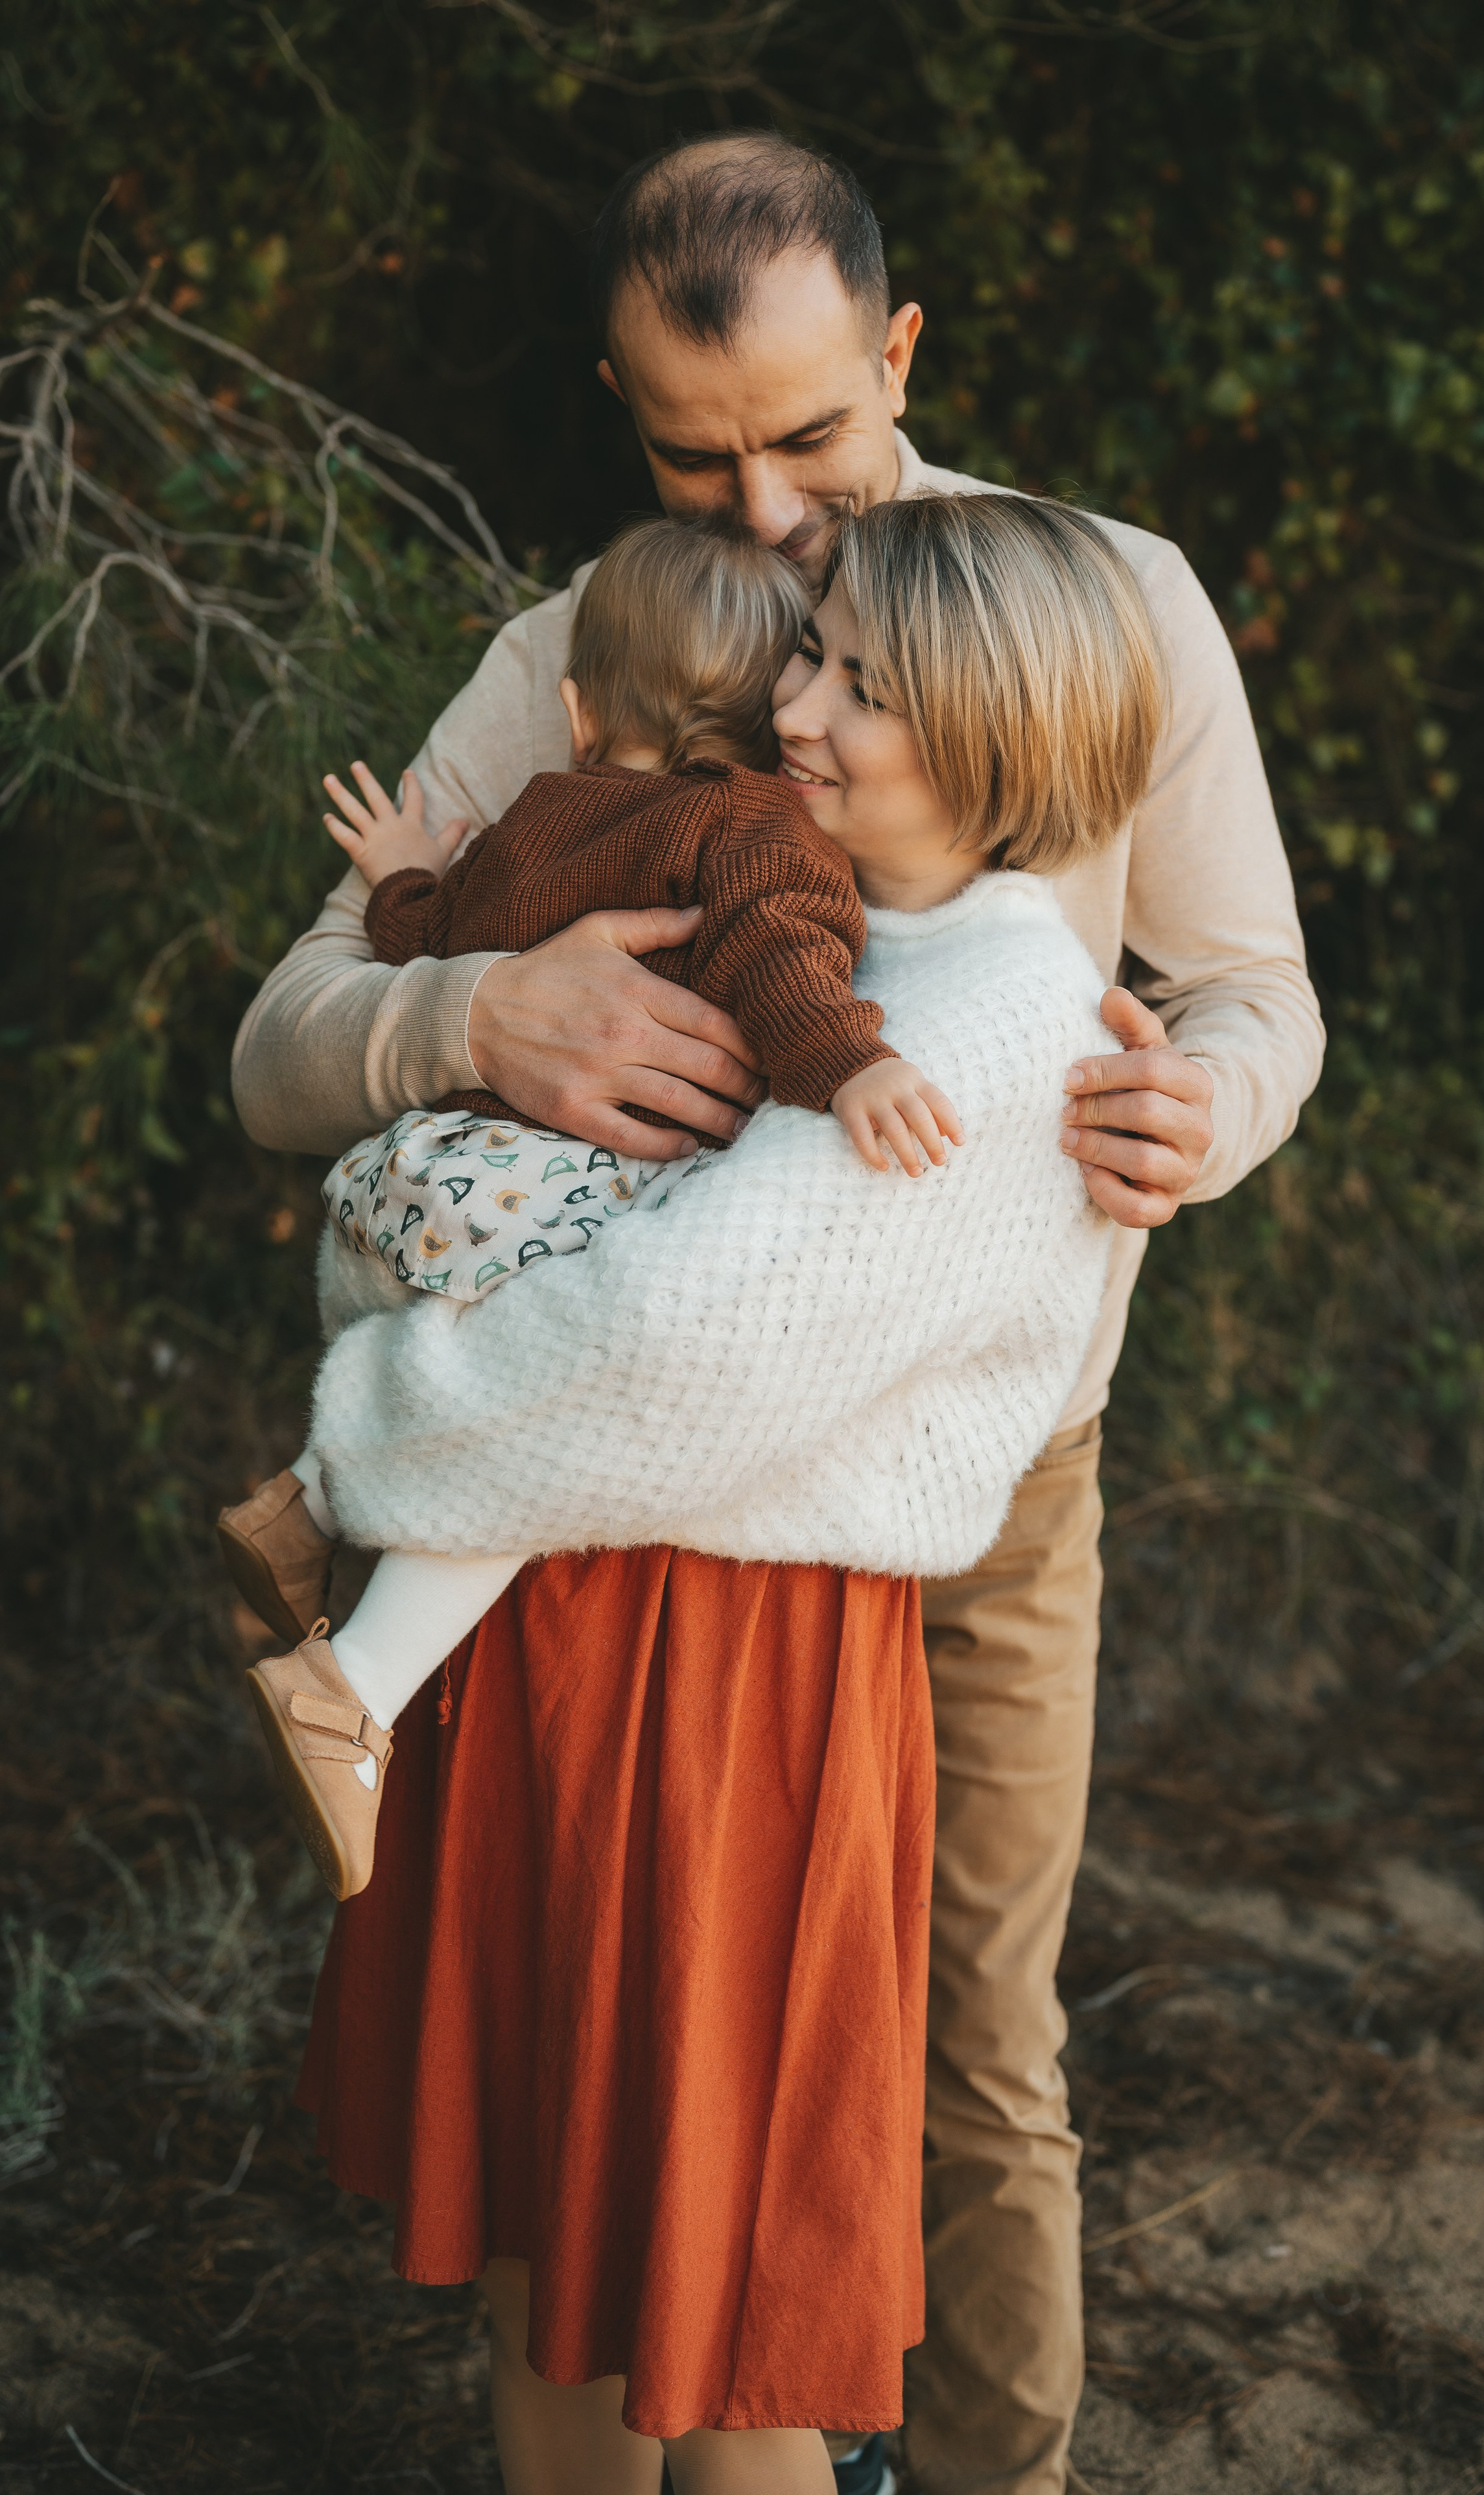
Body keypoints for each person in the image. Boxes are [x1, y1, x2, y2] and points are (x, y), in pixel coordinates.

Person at [231, 133, 1325, 2495]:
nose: (757, 515)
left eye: (810, 441)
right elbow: (289, 1027)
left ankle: (981, 2473)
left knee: (966, 2045)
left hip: (983, 1468)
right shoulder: (585, 645)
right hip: (646, 1498)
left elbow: (1254, 983)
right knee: (638, 2043)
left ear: (900, 354)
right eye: (688, 452)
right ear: (621, 411)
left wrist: (1206, 1107)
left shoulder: (1092, 599)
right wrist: (477, 1012)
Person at [292, 490, 1162, 2492]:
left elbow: (656, 1349)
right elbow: (485, 1168)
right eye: (810, 653)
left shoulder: (995, 1023)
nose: (796, 706)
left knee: (733, 2279)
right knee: (550, 2244)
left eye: (862, 684)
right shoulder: (800, 908)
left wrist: (363, 1412)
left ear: (1002, 742)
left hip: (733, 1693)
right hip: (571, 1632)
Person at [217, 515, 969, 1899]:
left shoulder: (531, 815)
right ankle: (351, 1694)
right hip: (544, 1194)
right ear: (771, 726)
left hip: (420, 1174)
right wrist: (851, 1063)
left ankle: (302, 1506)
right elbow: (778, 959)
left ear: (575, 708)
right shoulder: (749, 822)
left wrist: (396, 870)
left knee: (449, 1374)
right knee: (543, 1426)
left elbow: (428, 934)